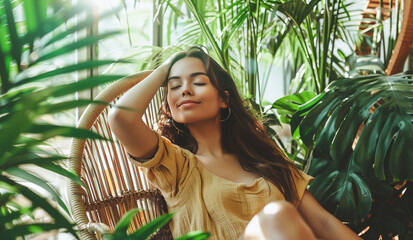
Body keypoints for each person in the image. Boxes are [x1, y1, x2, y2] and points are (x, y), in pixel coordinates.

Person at [108, 46, 360, 240]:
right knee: (277, 215)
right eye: (174, 86)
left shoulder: (266, 159)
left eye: (198, 82)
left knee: (279, 217)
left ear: (224, 99)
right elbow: (121, 118)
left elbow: (324, 223)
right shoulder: (176, 166)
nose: (185, 90)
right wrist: (168, 66)